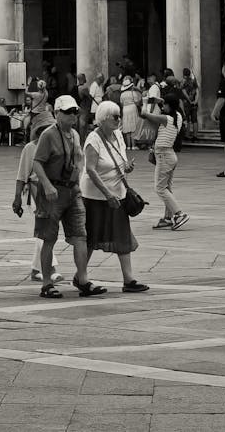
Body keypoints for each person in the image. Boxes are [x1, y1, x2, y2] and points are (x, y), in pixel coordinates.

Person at [30, 94, 107, 300]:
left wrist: (78, 178)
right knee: (49, 238)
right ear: (57, 114)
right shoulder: (48, 135)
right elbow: (37, 162)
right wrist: (46, 185)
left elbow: (79, 158)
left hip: (72, 190)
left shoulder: (74, 134)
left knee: (80, 236)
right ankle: (47, 283)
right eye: (68, 112)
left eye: (75, 112)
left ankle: (82, 280)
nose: (73, 115)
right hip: (53, 191)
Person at [81, 101, 149, 292]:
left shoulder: (118, 135)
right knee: (91, 238)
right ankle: (81, 276)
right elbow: (90, 170)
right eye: (115, 117)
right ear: (103, 119)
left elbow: (119, 160)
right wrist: (106, 193)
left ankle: (129, 280)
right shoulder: (93, 139)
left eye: (119, 116)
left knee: (122, 235)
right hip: (95, 197)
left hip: (117, 195)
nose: (119, 120)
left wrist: (127, 167)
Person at [12, 110, 64, 284]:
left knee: (45, 231)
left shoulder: (59, 144)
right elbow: (22, 175)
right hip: (36, 192)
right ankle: (50, 269)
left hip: (55, 191)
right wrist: (17, 197)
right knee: (45, 231)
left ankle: (36, 270)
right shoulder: (30, 148)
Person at [146, 93, 188, 230]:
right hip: (170, 155)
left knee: (159, 188)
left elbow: (144, 115)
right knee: (167, 188)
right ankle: (167, 218)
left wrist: (145, 102)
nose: (162, 106)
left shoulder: (166, 118)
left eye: (164, 105)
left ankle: (179, 214)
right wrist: (159, 101)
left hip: (164, 155)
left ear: (169, 106)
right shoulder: (178, 116)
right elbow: (168, 105)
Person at [119, 76, 142, 150]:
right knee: (133, 128)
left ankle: (128, 146)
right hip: (132, 108)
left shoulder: (122, 95)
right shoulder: (133, 93)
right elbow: (137, 102)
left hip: (125, 109)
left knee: (127, 128)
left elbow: (121, 103)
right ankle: (134, 145)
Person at [180, 68, 199, 141]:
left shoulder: (182, 81)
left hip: (186, 103)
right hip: (194, 103)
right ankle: (195, 136)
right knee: (194, 120)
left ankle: (187, 135)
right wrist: (195, 101)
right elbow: (197, 91)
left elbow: (183, 92)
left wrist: (189, 100)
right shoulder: (194, 81)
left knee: (187, 119)